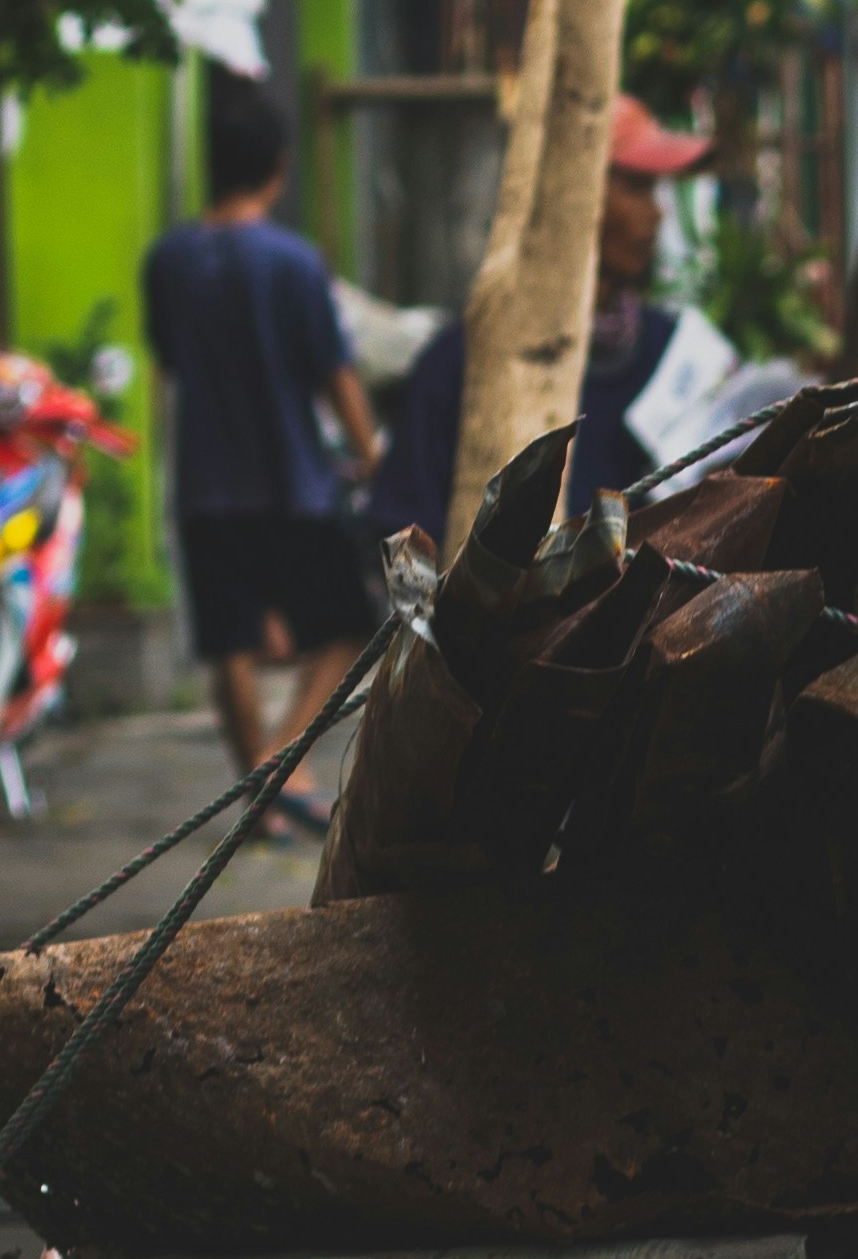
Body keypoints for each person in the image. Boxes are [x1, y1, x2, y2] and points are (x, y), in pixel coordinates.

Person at [140, 72, 383, 828]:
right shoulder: (293, 262)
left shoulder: (168, 260)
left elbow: (169, 360)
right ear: (278, 166)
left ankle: (260, 790)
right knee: (350, 626)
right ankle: (282, 761)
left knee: (230, 641)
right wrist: (374, 455)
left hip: (205, 483)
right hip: (293, 481)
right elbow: (334, 371)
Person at [366, 94, 713, 547]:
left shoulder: (672, 357)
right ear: (570, 199)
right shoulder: (463, 362)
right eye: (636, 187)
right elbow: (404, 530)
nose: (657, 212)